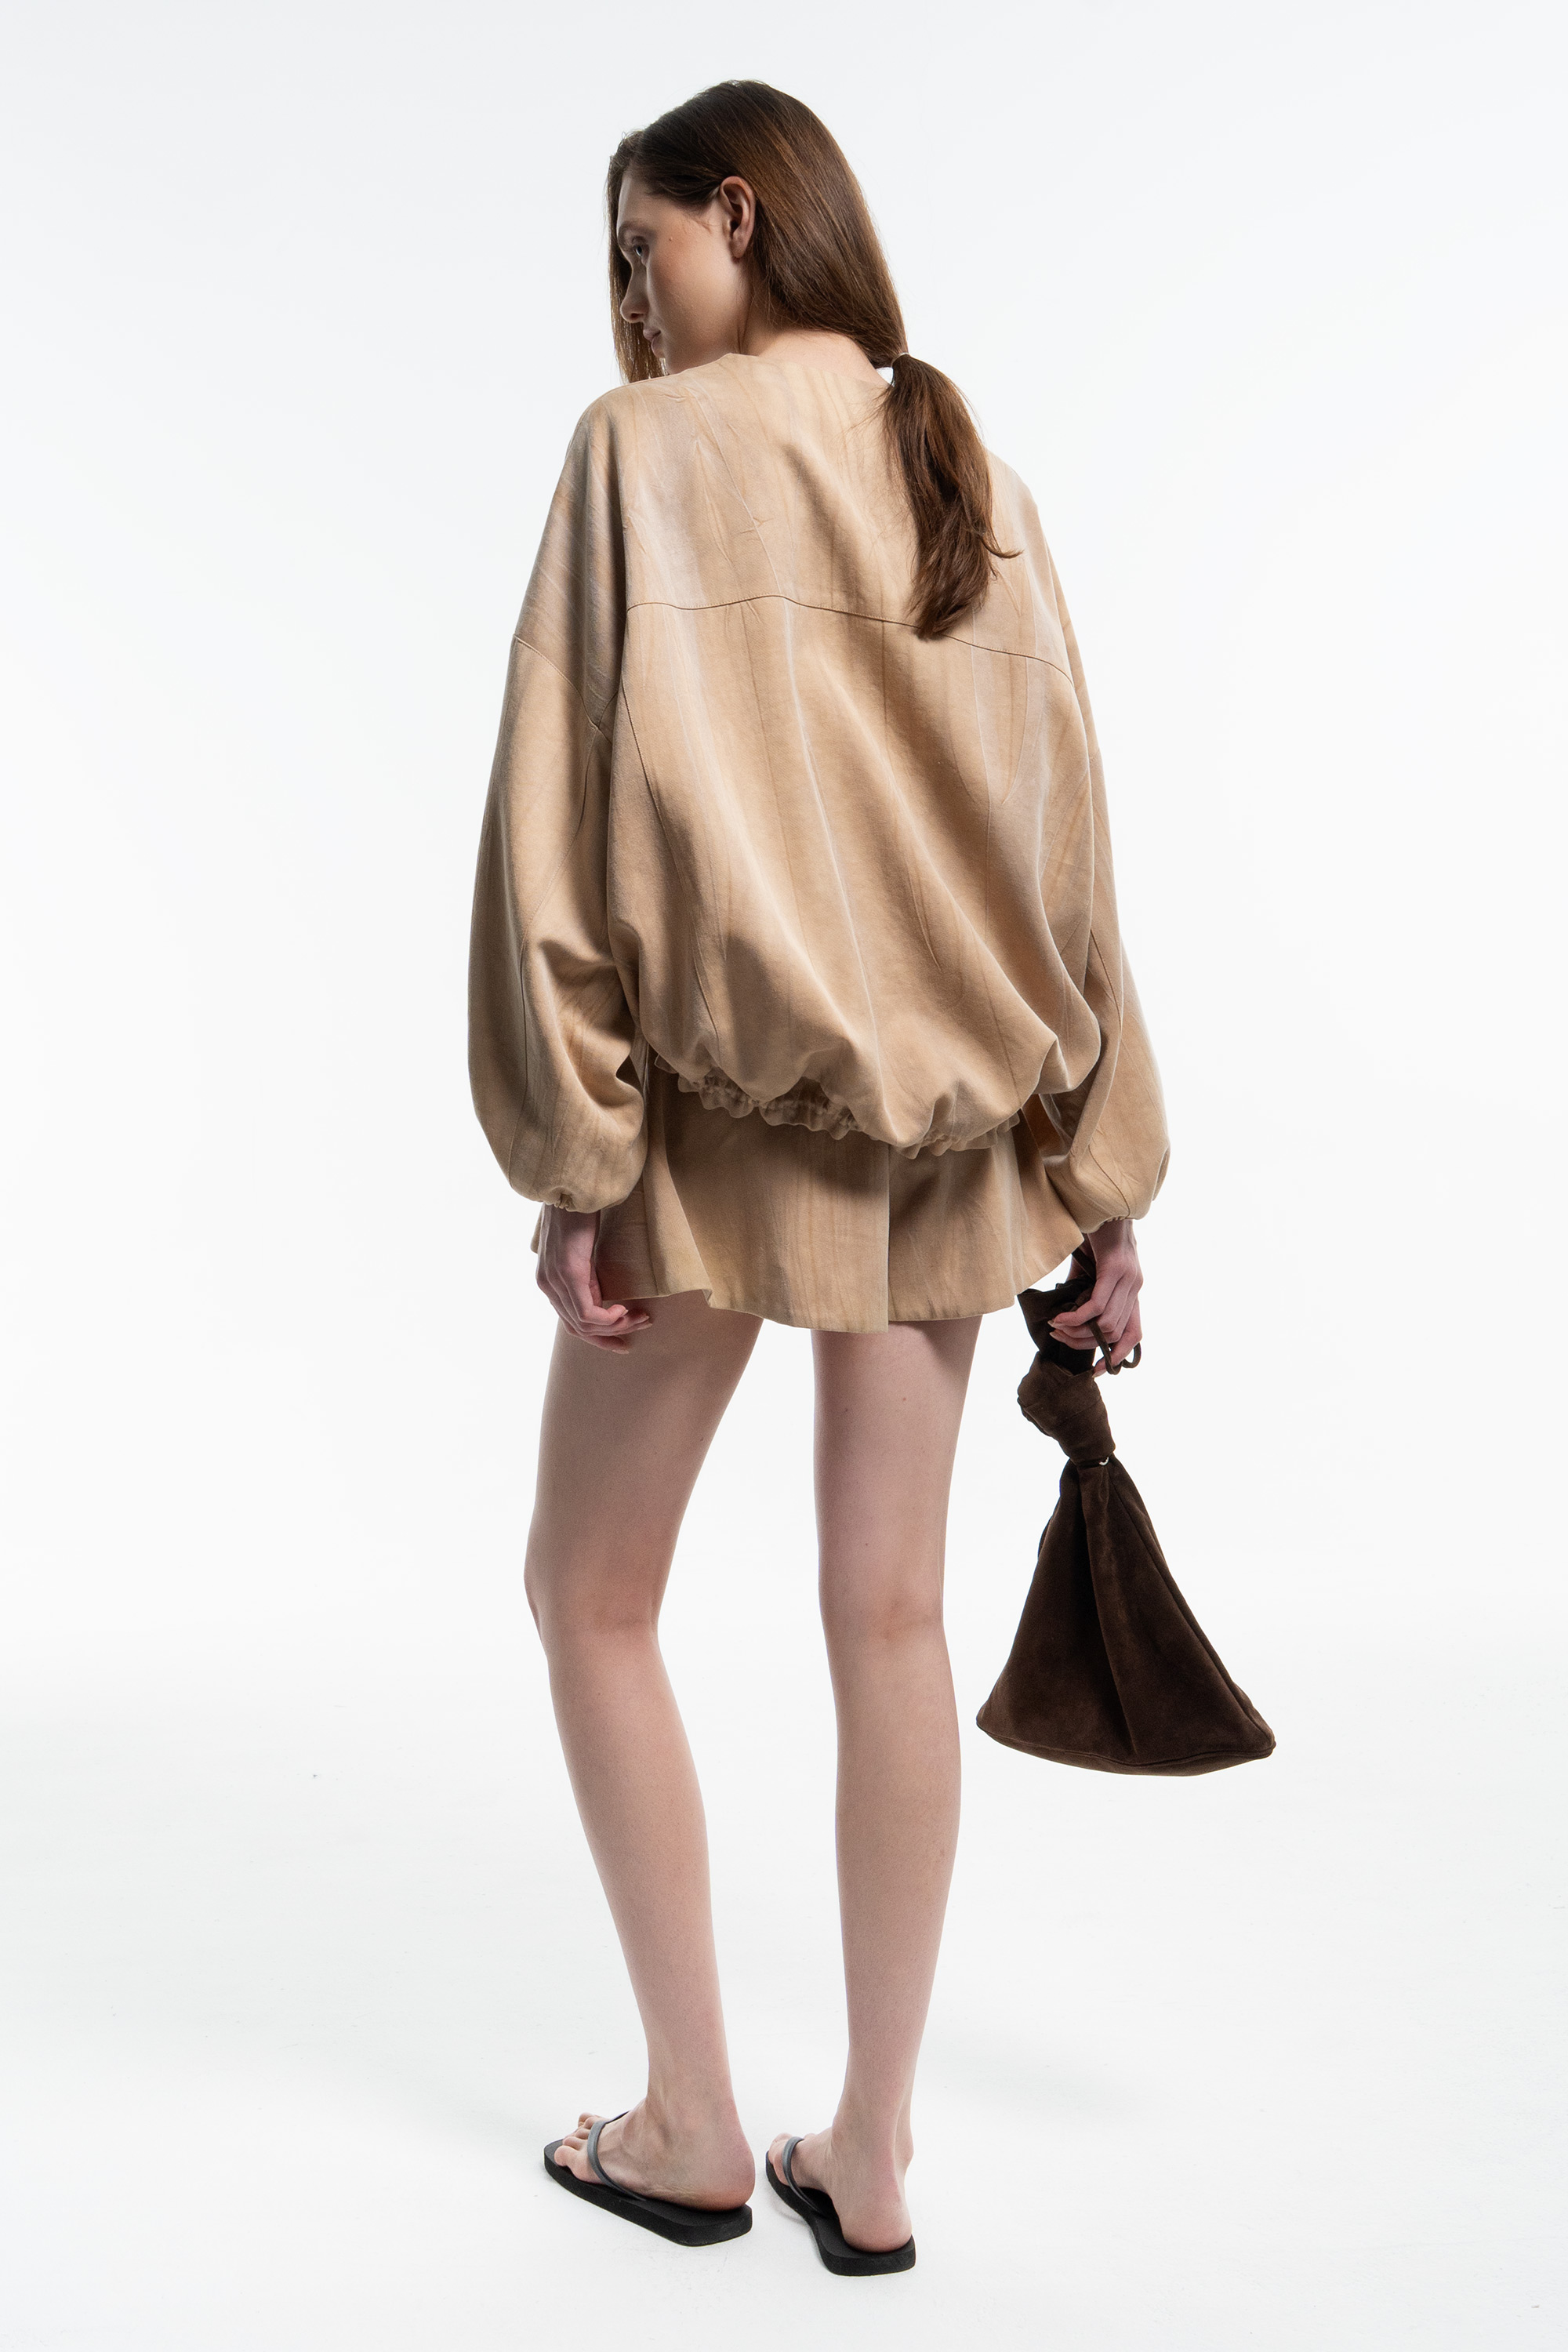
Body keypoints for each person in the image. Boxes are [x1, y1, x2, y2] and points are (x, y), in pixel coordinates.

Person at [468, 79, 1169, 2274]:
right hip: (950, 1157)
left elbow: (557, 833)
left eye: (643, 247)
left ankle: (691, 2121)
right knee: (893, 1622)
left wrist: (576, 1154)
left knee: (590, 1597)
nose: (628, 301)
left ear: (744, 216)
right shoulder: (975, 477)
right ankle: (868, 2156)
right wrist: (1103, 1174)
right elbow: (1071, 857)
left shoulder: (638, 455)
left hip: (704, 1138)